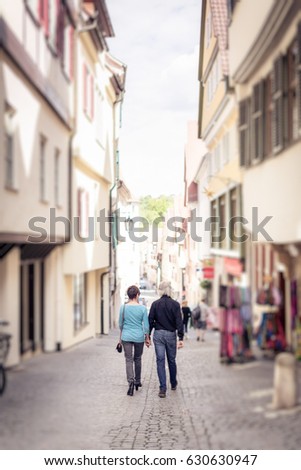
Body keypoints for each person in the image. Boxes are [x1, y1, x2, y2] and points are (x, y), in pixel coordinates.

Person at [148, 281, 184, 398]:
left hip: (158, 334)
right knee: (171, 360)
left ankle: (162, 388)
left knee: (160, 360)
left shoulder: (155, 304)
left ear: (160, 290)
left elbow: (150, 321)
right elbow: (179, 321)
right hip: (170, 335)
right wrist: (181, 337)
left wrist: (147, 335)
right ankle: (173, 383)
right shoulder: (175, 304)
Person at [119, 285, 150, 396]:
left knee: (128, 359)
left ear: (128, 295)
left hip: (126, 336)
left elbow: (120, 324)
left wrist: (120, 337)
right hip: (138, 337)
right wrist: (147, 338)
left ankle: (130, 382)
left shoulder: (123, 308)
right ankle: (137, 381)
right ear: (137, 295)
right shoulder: (142, 309)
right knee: (137, 358)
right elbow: (146, 326)